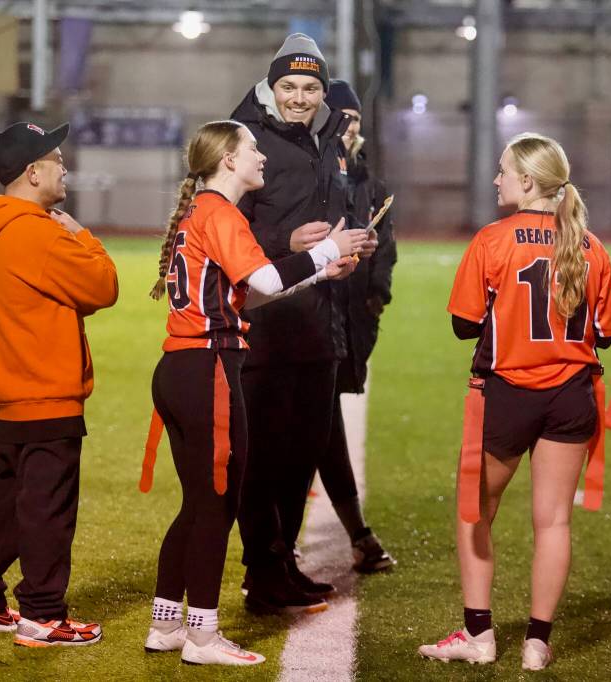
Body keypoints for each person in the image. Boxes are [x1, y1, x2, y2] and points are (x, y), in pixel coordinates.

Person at [142, 120, 364, 665]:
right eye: (253, 149)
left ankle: (166, 623)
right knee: (219, 504)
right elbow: (264, 281)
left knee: (198, 504)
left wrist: (317, 272)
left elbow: (246, 295)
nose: (262, 157)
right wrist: (324, 249)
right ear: (227, 161)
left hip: (183, 369)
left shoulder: (206, 213)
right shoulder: (220, 212)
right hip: (209, 368)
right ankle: (201, 635)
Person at [419, 133, 611, 671]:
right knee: (553, 521)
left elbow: (464, 324)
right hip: (572, 395)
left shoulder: (493, 239)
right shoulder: (590, 245)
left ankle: (479, 635)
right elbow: (606, 331)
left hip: (506, 393)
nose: (496, 179)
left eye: (503, 170)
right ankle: (537, 641)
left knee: (474, 514)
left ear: (527, 182)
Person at [0, 121, 118, 647]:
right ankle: (43, 615)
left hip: (9, 390)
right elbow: (103, 287)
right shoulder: (37, 230)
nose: (63, 167)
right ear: (32, 171)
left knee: (0, 500)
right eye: (57, 159)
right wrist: (82, 235)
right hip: (47, 390)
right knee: (47, 507)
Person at [230, 32, 377, 613]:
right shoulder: (246, 143)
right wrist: (283, 244)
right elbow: (222, 229)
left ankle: (281, 562)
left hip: (319, 322)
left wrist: (344, 254)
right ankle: (261, 571)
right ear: (270, 87)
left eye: (310, 86)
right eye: (288, 85)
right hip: (265, 327)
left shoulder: (327, 144)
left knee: (302, 453)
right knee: (262, 458)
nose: (298, 96)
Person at [318, 78, 397, 573]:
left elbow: (384, 251)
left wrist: (374, 301)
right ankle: (273, 552)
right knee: (313, 430)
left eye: (356, 121)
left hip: (350, 323)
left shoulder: (370, 184)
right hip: (310, 323)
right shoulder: (310, 175)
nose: (350, 128)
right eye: (342, 119)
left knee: (322, 427)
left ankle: (275, 552)